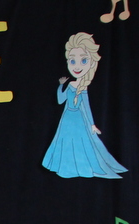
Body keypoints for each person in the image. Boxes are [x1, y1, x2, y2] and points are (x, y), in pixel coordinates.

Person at [42, 32, 126, 179]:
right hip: (66, 119)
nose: (77, 66)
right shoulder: (71, 85)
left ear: (92, 62)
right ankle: (66, 167)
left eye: (84, 60)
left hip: (79, 120)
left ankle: (82, 168)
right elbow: (60, 100)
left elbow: (86, 108)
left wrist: (92, 125)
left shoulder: (84, 87)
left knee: (82, 144)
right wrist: (60, 86)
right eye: (72, 61)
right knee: (65, 143)